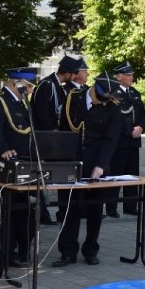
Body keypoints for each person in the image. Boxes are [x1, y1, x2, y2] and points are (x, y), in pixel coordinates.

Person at [53, 73, 123, 267]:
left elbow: (111, 140)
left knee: (94, 209)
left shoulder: (113, 107)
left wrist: (100, 166)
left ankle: (91, 249)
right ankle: (68, 251)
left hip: (96, 164)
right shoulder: (73, 98)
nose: (101, 102)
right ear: (93, 88)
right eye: (99, 98)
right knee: (69, 207)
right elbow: (64, 129)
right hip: (71, 161)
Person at [0, 67, 39, 269]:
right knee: (13, 212)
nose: (31, 90)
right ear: (18, 83)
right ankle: (7, 255)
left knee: (26, 212)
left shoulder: (22, 103)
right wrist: (3, 149)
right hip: (6, 165)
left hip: (25, 165)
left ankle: (22, 251)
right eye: (29, 85)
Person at [30, 55, 80, 225]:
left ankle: (59, 211)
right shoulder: (46, 85)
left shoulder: (60, 87)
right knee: (39, 176)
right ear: (68, 74)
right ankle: (42, 213)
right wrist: (52, 130)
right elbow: (42, 113)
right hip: (44, 137)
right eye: (74, 74)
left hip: (54, 137)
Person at [109, 61, 145, 216]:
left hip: (134, 140)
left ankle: (130, 206)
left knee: (132, 175)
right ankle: (112, 207)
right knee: (116, 175)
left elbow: (142, 113)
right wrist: (129, 130)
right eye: (128, 75)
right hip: (120, 140)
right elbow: (116, 117)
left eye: (131, 74)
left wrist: (140, 127)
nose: (131, 77)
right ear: (119, 77)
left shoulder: (134, 93)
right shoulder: (113, 94)